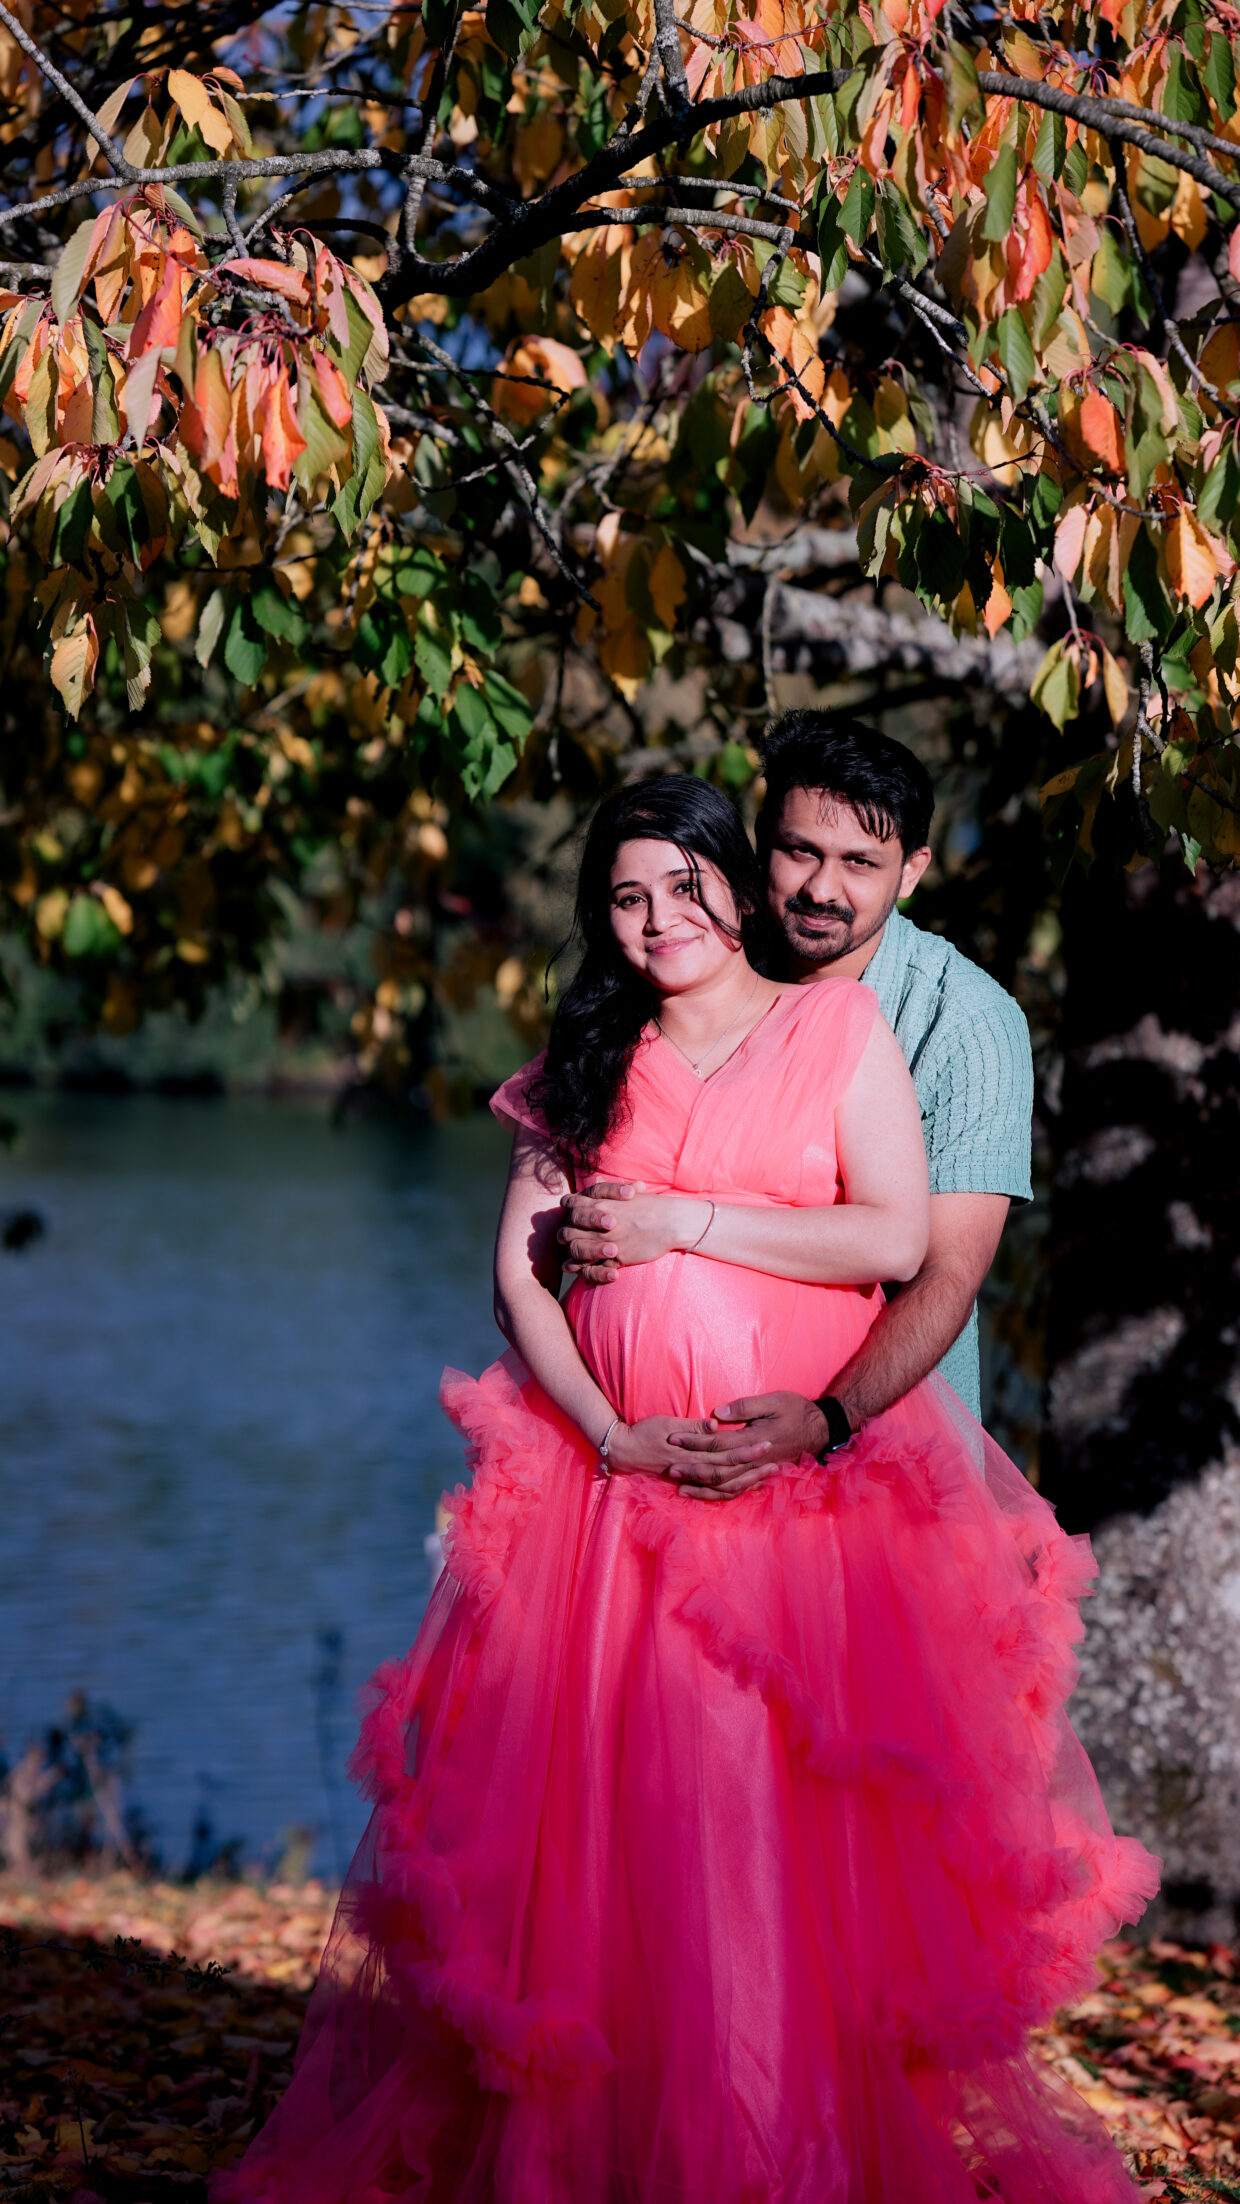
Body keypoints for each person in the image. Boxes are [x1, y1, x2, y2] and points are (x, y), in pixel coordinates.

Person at [218, 775, 1156, 2204]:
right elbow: (515, 1279)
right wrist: (605, 1430)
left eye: (684, 885)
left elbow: (898, 1232)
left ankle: (770, 2159)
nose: (658, 918)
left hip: (784, 1508)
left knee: (750, 1835)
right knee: (609, 1848)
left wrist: (682, 1225)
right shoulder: (589, 1052)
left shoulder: (834, 1029)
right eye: (626, 896)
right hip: (607, 1505)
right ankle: (597, 2155)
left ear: (735, 884)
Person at [557, 715, 1033, 1481]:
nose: (821, 888)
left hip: (873, 1451)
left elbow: (943, 1274)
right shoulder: (694, 953)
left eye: (859, 863)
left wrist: (829, 1419)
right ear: (760, 841)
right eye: (799, 851)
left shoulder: (965, 1022)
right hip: (642, 1462)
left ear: (911, 872)